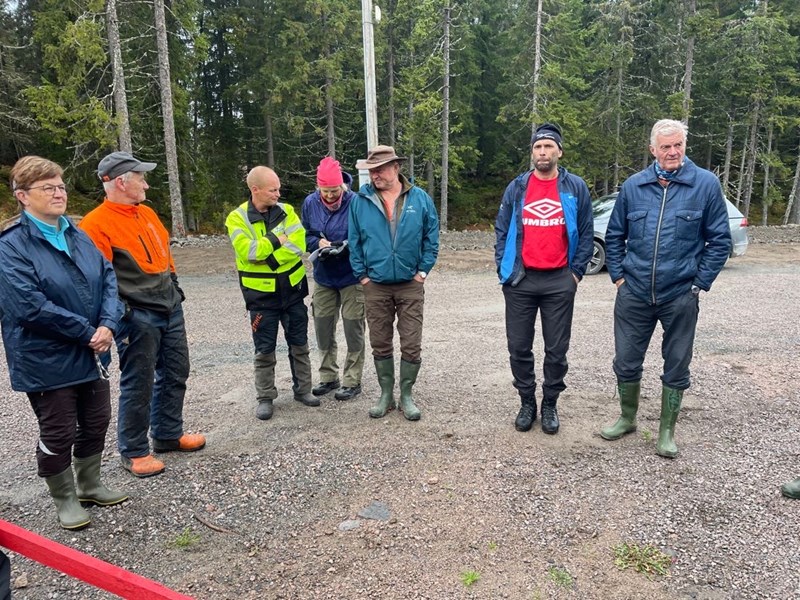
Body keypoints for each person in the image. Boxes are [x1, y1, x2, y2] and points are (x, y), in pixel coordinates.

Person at [0, 156, 127, 529]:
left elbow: (107, 278)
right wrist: (88, 332)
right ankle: (64, 498)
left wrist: (108, 323)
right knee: (58, 431)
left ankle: (89, 484)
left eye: (61, 186)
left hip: (91, 351)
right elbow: (27, 305)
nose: (59, 193)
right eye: (48, 188)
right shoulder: (12, 245)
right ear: (23, 196)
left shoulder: (77, 232)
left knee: (96, 420)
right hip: (46, 357)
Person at [600, 119, 731, 458]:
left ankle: (666, 432)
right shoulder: (633, 186)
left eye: (678, 146)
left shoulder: (704, 184)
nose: (673, 152)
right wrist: (618, 277)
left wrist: (699, 284)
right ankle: (627, 417)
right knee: (626, 361)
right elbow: (613, 236)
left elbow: (719, 241)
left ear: (684, 147)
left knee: (676, 363)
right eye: (665, 147)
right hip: (634, 292)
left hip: (680, 295)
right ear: (652, 150)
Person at [80, 151, 206, 478]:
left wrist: (175, 290)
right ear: (122, 182)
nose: (147, 184)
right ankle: (134, 450)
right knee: (140, 380)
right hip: (137, 316)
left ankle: (167, 434)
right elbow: (97, 281)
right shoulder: (95, 225)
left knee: (177, 370)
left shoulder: (146, 212)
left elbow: (166, 254)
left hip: (169, 307)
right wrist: (123, 315)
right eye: (141, 178)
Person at [495, 124, 594, 435]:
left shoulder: (575, 187)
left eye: (549, 147)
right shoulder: (518, 188)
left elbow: (587, 233)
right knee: (519, 347)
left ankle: (550, 402)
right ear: (532, 152)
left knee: (556, 349)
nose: (543, 152)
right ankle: (527, 402)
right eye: (538, 148)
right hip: (521, 280)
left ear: (559, 152)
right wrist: (504, 269)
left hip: (559, 281)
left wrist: (575, 274)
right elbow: (501, 230)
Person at [349, 145, 439, 421]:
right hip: (375, 285)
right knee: (380, 342)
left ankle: (407, 395)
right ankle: (386, 395)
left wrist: (422, 272)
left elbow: (431, 238)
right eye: (371, 170)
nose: (375, 175)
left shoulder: (420, 199)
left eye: (380, 169)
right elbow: (354, 242)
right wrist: (362, 276)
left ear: (396, 168)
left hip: (410, 284)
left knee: (411, 342)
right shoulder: (360, 201)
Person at [226, 166, 318, 421]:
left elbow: (298, 245)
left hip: (293, 292)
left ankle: (304, 390)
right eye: (273, 189)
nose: (279, 193)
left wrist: (268, 253)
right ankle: (265, 397)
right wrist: (279, 238)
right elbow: (248, 252)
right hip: (261, 298)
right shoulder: (237, 218)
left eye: (278, 188)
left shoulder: (287, 211)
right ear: (255, 190)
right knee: (264, 350)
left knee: (300, 344)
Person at [301, 157, 365, 401]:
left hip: (351, 275)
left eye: (334, 191)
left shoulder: (356, 202)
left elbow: (364, 235)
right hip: (324, 275)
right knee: (323, 327)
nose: (329, 196)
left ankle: (352, 380)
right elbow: (306, 234)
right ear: (318, 188)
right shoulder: (310, 203)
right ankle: (328, 376)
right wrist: (317, 243)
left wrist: (346, 245)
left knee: (353, 327)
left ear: (343, 186)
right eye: (325, 191)